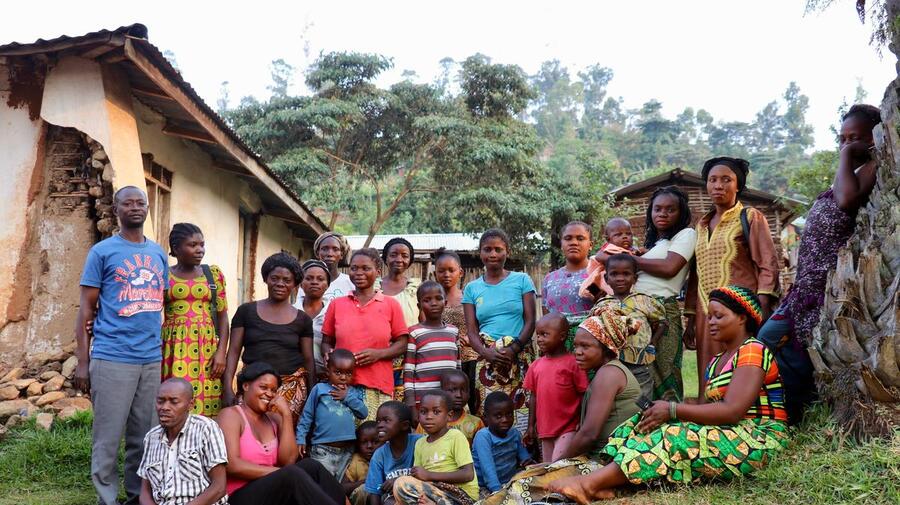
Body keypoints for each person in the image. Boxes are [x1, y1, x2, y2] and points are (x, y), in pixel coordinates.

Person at [546, 286, 789, 503]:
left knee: (673, 435)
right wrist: (664, 412)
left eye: (719, 316)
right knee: (639, 425)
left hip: (759, 438)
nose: (711, 322)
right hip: (730, 432)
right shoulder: (717, 361)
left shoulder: (752, 350)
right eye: (709, 316)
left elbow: (733, 411)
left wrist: (673, 410)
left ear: (742, 318)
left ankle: (587, 485)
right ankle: (607, 483)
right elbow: (707, 409)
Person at [757, 104, 882, 424]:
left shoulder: (873, 168)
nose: (846, 144)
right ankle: (780, 412)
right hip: (805, 289)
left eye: (855, 137)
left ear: (875, 138)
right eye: (842, 139)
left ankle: (794, 416)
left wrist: (847, 154)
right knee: (770, 342)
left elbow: (847, 200)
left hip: (825, 291)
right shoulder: (848, 175)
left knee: (792, 350)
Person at [479, 307, 641, 505]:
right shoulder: (607, 372)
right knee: (527, 477)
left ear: (606, 347)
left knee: (526, 484)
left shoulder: (609, 374)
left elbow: (589, 434)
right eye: (576, 346)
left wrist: (555, 465)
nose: (578, 352)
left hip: (607, 463)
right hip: (607, 459)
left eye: (585, 346)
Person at [74, 185, 169, 505]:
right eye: (128, 203)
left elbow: (158, 303)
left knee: (144, 436)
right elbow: (86, 310)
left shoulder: (157, 253)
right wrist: (83, 362)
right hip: (112, 356)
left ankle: (137, 496)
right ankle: (106, 498)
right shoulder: (102, 252)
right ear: (116, 210)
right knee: (108, 437)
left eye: (141, 203)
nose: (136, 208)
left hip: (150, 359)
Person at [685, 157, 780, 392]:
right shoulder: (701, 225)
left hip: (741, 313)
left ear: (738, 185)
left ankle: (741, 411)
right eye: (713, 180)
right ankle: (708, 412)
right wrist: (691, 319)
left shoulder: (750, 217)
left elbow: (767, 263)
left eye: (726, 180)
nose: (718, 185)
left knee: (742, 369)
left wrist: (762, 308)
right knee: (709, 375)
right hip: (706, 313)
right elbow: (696, 273)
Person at [217, 362, 347, 505]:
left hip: (272, 492)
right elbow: (232, 465)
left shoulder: (274, 419)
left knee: (312, 466)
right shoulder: (231, 415)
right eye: (263, 387)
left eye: (274, 390)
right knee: (292, 474)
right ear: (246, 386)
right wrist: (277, 472)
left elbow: (288, 461)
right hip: (239, 496)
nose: (269, 394)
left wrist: (286, 415)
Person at [223, 252, 315, 422]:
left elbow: (309, 359)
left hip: (291, 392)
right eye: (275, 278)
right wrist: (227, 388)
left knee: (285, 434)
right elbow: (234, 351)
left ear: (295, 284)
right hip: (252, 388)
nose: (280, 283)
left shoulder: (303, 320)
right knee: (249, 432)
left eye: (287, 280)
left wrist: (312, 397)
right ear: (266, 279)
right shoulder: (246, 311)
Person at [322, 248, 410, 419]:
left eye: (366, 268)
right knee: (342, 434)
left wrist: (379, 354)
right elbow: (327, 341)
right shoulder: (337, 305)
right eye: (354, 268)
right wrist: (328, 354)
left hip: (377, 386)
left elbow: (403, 343)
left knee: (373, 434)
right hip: (341, 387)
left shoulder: (390, 305)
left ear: (378, 272)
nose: (359, 273)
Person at [627, 186, 695, 400]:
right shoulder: (654, 245)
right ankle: (643, 418)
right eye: (657, 209)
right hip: (636, 309)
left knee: (665, 372)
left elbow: (669, 268)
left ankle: (671, 418)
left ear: (681, 213)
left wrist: (627, 260)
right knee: (640, 371)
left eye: (670, 209)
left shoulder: (686, 234)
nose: (662, 214)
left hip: (663, 310)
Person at [463, 228, 536, 426]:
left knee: (522, 410)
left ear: (507, 252)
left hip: (519, 356)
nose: (493, 254)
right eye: (487, 249)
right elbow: (471, 331)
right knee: (490, 414)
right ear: (480, 253)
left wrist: (514, 348)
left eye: (498, 249)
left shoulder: (522, 280)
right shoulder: (471, 288)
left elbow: (530, 321)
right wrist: (486, 353)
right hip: (488, 361)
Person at [161, 223, 229, 417]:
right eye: (192, 245)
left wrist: (221, 352)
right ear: (176, 249)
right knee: (175, 398)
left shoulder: (212, 275)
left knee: (206, 399)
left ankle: (204, 436)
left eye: (202, 245)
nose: (200, 250)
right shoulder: (164, 275)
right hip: (173, 347)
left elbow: (223, 317)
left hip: (207, 349)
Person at [138, 378, 228, 505]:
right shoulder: (151, 437)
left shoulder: (205, 428)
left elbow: (219, 487)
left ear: (191, 404)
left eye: (174, 402)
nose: (165, 407)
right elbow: (145, 493)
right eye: (160, 401)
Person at [593, 254, 668, 399]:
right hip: (611, 361)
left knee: (642, 397)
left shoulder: (645, 301)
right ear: (606, 279)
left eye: (626, 274)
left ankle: (642, 414)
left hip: (640, 361)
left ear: (635, 278)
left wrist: (653, 341)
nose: (620, 278)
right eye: (614, 274)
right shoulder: (602, 304)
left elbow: (662, 321)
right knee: (613, 396)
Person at [393, 390, 479, 505]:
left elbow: (468, 474)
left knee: (402, 483)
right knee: (397, 494)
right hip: (433, 491)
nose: (429, 417)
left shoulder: (455, 437)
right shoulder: (420, 443)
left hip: (460, 495)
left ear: (449, 416)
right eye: (423, 412)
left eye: (436, 412)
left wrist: (429, 475)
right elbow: (419, 476)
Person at [524, 313, 588, 463]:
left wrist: (583, 420)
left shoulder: (573, 363)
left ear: (562, 336)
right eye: (538, 335)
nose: (539, 339)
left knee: (559, 466)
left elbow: (584, 393)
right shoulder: (535, 366)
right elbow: (534, 396)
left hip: (568, 427)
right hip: (545, 430)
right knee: (548, 467)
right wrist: (530, 426)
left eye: (545, 334)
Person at [296, 348, 369, 478]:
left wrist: (347, 397)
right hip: (322, 450)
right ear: (328, 371)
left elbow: (363, 413)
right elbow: (307, 416)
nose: (343, 377)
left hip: (347, 451)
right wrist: (301, 438)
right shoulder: (319, 389)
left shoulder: (352, 392)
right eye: (338, 372)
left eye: (348, 373)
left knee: (339, 486)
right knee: (322, 483)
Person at [404, 281, 460, 417]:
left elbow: (458, 368)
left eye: (438, 298)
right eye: (427, 300)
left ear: (445, 303)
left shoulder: (453, 331)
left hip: (448, 401)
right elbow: (409, 371)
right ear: (419, 306)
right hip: (423, 402)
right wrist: (411, 403)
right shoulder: (414, 333)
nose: (433, 303)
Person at [435, 249, 480, 414]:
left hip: (470, 358)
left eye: (451, 270)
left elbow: (480, 324)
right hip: (445, 359)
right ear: (435, 273)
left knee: (474, 402)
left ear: (460, 272)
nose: (446, 274)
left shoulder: (468, 298)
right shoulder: (432, 301)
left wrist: (471, 337)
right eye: (441, 271)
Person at [541, 221, 596, 349]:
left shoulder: (597, 274)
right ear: (561, 245)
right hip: (558, 348)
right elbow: (547, 318)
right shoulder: (549, 279)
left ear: (590, 245)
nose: (574, 242)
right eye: (568, 238)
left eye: (580, 238)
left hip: (589, 346)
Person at [379, 237, 422, 398]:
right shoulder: (373, 287)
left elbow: (423, 321)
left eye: (404, 255)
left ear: (410, 260)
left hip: (410, 355)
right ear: (385, 258)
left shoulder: (416, 288)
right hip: (379, 354)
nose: (399, 259)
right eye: (393, 255)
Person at [472, 392, 534, 496]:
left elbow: (526, 461)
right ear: (486, 417)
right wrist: (498, 492)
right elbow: (488, 470)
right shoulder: (483, 437)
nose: (505, 420)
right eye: (498, 416)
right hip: (484, 486)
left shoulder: (514, 433)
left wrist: (531, 465)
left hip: (509, 481)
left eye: (509, 414)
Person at [366, 402, 423, 505]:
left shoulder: (420, 443)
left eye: (386, 420)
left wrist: (399, 481)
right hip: (393, 499)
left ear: (404, 425)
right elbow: (375, 493)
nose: (379, 425)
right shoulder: (379, 455)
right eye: (378, 421)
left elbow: (430, 473)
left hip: (421, 494)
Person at [416, 370, 484, 445]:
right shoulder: (427, 422)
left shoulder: (476, 423)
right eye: (453, 390)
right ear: (442, 391)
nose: (459, 395)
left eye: (463, 390)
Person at [580, 218, 639, 301]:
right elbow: (599, 256)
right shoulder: (610, 248)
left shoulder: (632, 249)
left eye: (628, 234)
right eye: (618, 235)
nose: (625, 236)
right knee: (593, 287)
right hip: (606, 278)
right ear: (608, 239)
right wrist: (618, 260)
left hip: (622, 281)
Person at [295, 259, 333, 378]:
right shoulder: (291, 312)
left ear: (327, 285)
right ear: (301, 283)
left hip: (327, 378)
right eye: (309, 278)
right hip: (295, 378)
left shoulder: (334, 313)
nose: (314, 282)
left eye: (320, 279)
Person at [302, 232, 355, 302]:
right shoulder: (307, 283)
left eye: (335, 249)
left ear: (341, 254)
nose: (330, 254)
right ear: (317, 253)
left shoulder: (351, 283)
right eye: (324, 249)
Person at [344, 421, 381, 505]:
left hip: (384, 497)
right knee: (364, 489)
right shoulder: (356, 461)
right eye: (364, 442)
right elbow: (343, 488)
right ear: (358, 444)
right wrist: (363, 482)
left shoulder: (387, 456)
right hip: (362, 499)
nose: (369, 446)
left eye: (375, 442)